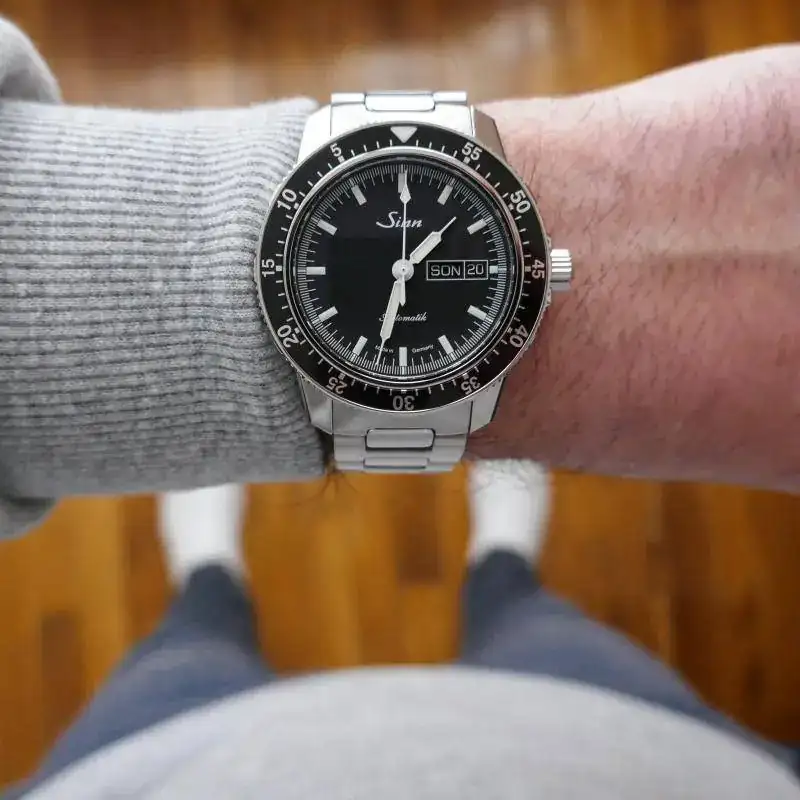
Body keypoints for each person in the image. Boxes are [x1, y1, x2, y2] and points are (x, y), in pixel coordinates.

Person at [0, 14, 798, 798]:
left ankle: (209, 573)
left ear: (542, 271)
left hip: (146, 764)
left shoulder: (506, 276)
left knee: (185, 653)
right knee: (537, 625)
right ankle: (502, 563)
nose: (404, 273)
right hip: (651, 752)